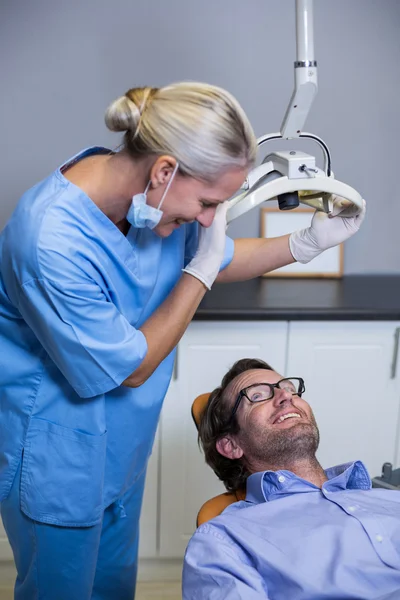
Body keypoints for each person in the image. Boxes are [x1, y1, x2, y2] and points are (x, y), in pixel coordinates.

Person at [0, 81, 365, 600]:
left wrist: (304, 243)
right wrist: (201, 266)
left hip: (119, 448)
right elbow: (132, 365)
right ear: (166, 170)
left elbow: (216, 255)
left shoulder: (146, 198)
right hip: (56, 459)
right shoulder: (47, 238)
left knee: (110, 590)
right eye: (209, 202)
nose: (210, 218)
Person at [183, 358, 400, 599]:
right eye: (257, 396)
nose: (285, 397)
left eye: (289, 388)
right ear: (231, 445)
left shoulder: (388, 499)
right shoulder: (225, 539)